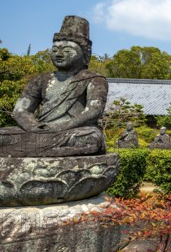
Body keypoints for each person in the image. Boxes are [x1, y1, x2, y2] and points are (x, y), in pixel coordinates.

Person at [0, 16, 107, 157]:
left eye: (67, 50)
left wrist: (60, 127)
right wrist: (33, 127)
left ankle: (34, 148)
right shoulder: (40, 79)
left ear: (85, 54)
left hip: (72, 131)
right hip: (40, 130)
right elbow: (20, 110)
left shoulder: (94, 79)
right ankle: (44, 147)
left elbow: (93, 111)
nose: (59, 54)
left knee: (91, 138)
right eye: (55, 49)